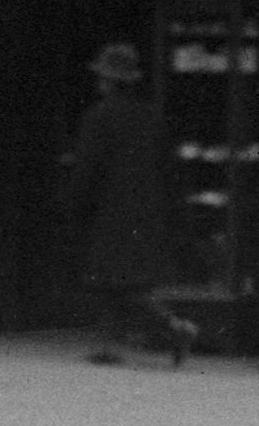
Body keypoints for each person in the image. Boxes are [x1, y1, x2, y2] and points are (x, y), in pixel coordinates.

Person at [61, 43, 189, 367]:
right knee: (124, 282)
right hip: (147, 210)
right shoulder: (153, 117)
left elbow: (87, 170)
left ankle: (170, 328)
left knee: (110, 283)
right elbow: (169, 169)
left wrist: (74, 205)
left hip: (108, 212)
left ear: (105, 81)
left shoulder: (98, 118)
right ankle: (119, 343)